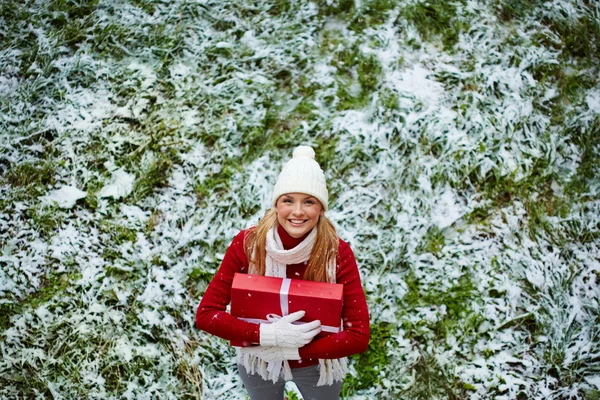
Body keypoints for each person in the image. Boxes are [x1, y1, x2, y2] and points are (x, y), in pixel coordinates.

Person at [195, 145, 370, 400]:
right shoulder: (248, 245)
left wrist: (296, 351)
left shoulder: (337, 253)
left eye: (309, 201)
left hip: (317, 364)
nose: (297, 211)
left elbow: (358, 335)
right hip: (259, 361)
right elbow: (207, 315)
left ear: (321, 208)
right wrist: (267, 336)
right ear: (277, 204)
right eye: (288, 200)